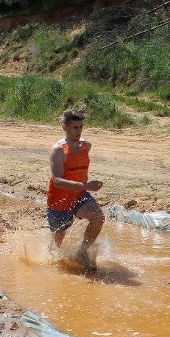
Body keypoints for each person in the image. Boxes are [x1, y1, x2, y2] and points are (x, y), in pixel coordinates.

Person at [47, 109, 105, 270]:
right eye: (74, 127)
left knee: (98, 218)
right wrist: (86, 186)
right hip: (59, 199)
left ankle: (82, 252)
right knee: (56, 245)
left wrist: (84, 188)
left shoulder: (86, 146)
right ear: (64, 128)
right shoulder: (58, 150)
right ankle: (53, 268)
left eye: (80, 127)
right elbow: (57, 181)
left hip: (79, 194)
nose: (78, 131)